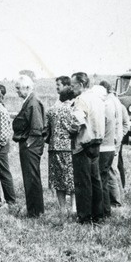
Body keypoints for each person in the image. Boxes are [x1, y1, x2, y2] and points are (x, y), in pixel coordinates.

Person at [69, 72, 105, 224]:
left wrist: (71, 131)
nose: (71, 88)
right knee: (95, 180)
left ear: (81, 85)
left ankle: (84, 216)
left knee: (82, 182)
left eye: (73, 85)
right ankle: (98, 215)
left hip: (83, 145)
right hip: (97, 143)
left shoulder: (81, 99)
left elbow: (78, 120)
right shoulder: (97, 99)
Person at [12, 75, 46, 217]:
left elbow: (37, 128)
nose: (17, 92)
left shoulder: (32, 103)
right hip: (28, 144)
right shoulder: (30, 101)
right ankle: (34, 209)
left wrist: (27, 144)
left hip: (30, 145)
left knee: (31, 178)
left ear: (27, 87)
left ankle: (35, 211)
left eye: (18, 88)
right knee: (30, 177)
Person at [45, 83, 76, 211]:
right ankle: (74, 207)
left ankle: (62, 208)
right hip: (70, 148)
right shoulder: (73, 111)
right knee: (72, 178)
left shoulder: (51, 110)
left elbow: (46, 130)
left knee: (57, 179)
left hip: (54, 148)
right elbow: (74, 129)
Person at [94, 81, 118, 217]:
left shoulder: (104, 108)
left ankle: (103, 211)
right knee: (103, 180)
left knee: (100, 181)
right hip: (109, 147)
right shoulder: (110, 106)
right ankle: (106, 210)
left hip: (103, 148)